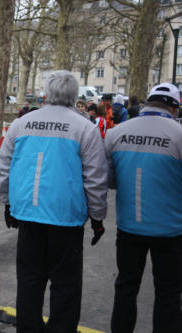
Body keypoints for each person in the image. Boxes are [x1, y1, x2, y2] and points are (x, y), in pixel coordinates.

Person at [0, 70, 108, 333]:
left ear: (46, 93)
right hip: (65, 216)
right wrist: (98, 217)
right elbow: (95, 179)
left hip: (28, 213)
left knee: (29, 280)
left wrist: (8, 202)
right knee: (66, 284)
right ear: (74, 96)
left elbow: (4, 166)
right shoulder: (85, 128)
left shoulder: (21, 123)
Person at [105, 82, 182, 333]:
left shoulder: (117, 132)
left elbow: (110, 181)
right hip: (171, 229)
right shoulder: (178, 133)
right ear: (173, 107)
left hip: (129, 226)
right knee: (168, 293)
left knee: (126, 288)